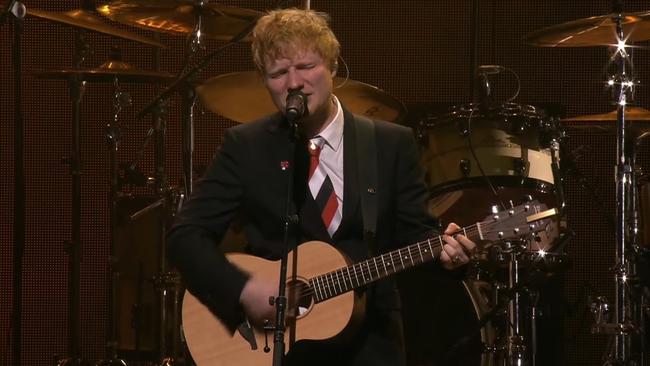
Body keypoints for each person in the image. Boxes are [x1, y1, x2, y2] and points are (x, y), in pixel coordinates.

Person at [167, 8, 476, 366]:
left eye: (306, 66)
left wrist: (448, 258)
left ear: (332, 65)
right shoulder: (247, 146)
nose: (293, 82)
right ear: (265, 82)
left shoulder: (391, 144)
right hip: (277, 349)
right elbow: (184, 237)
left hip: (370, 344)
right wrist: (243, 290)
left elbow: (415, 238)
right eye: (279, 73)